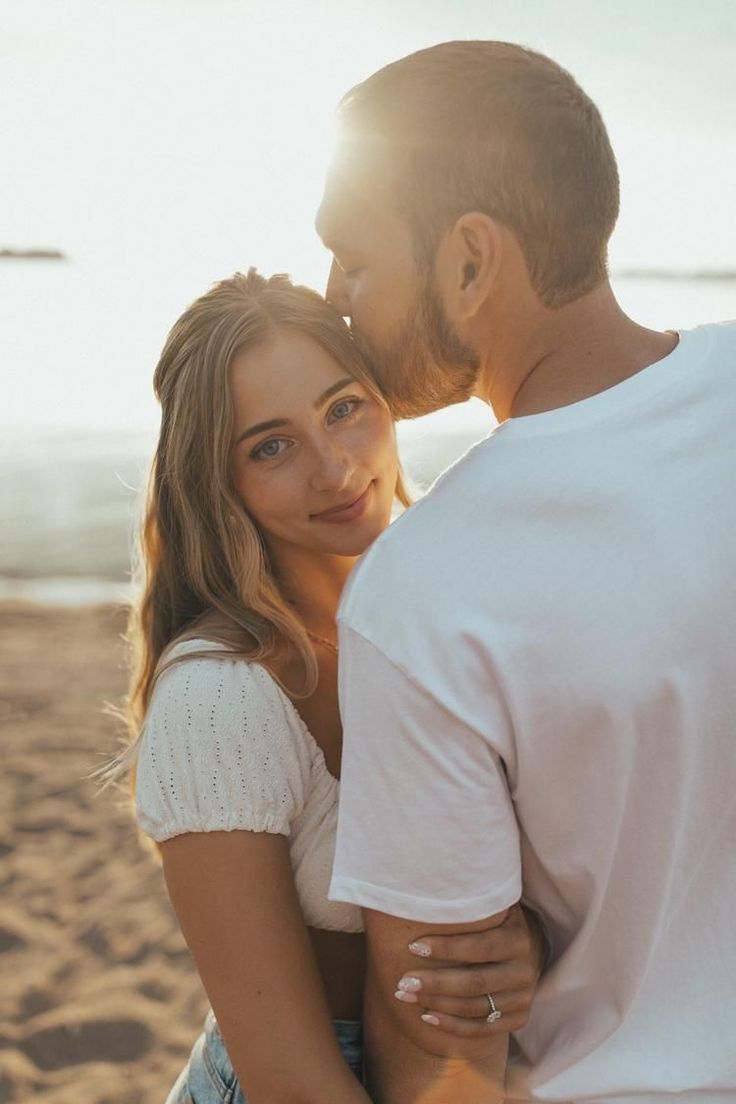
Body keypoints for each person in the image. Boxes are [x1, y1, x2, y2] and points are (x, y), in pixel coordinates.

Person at [318, 40, 736, 1103]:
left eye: (355, 259)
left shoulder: (422, 591)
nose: (335, 300)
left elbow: (442, 1043)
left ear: (470, 259)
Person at [102, 270, 545, 1104]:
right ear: (218, 483)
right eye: (270, 446)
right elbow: (289, 1081)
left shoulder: (444, 618)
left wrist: (526, 953)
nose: (335, 467)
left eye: (344, 408)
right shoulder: (221, 697)